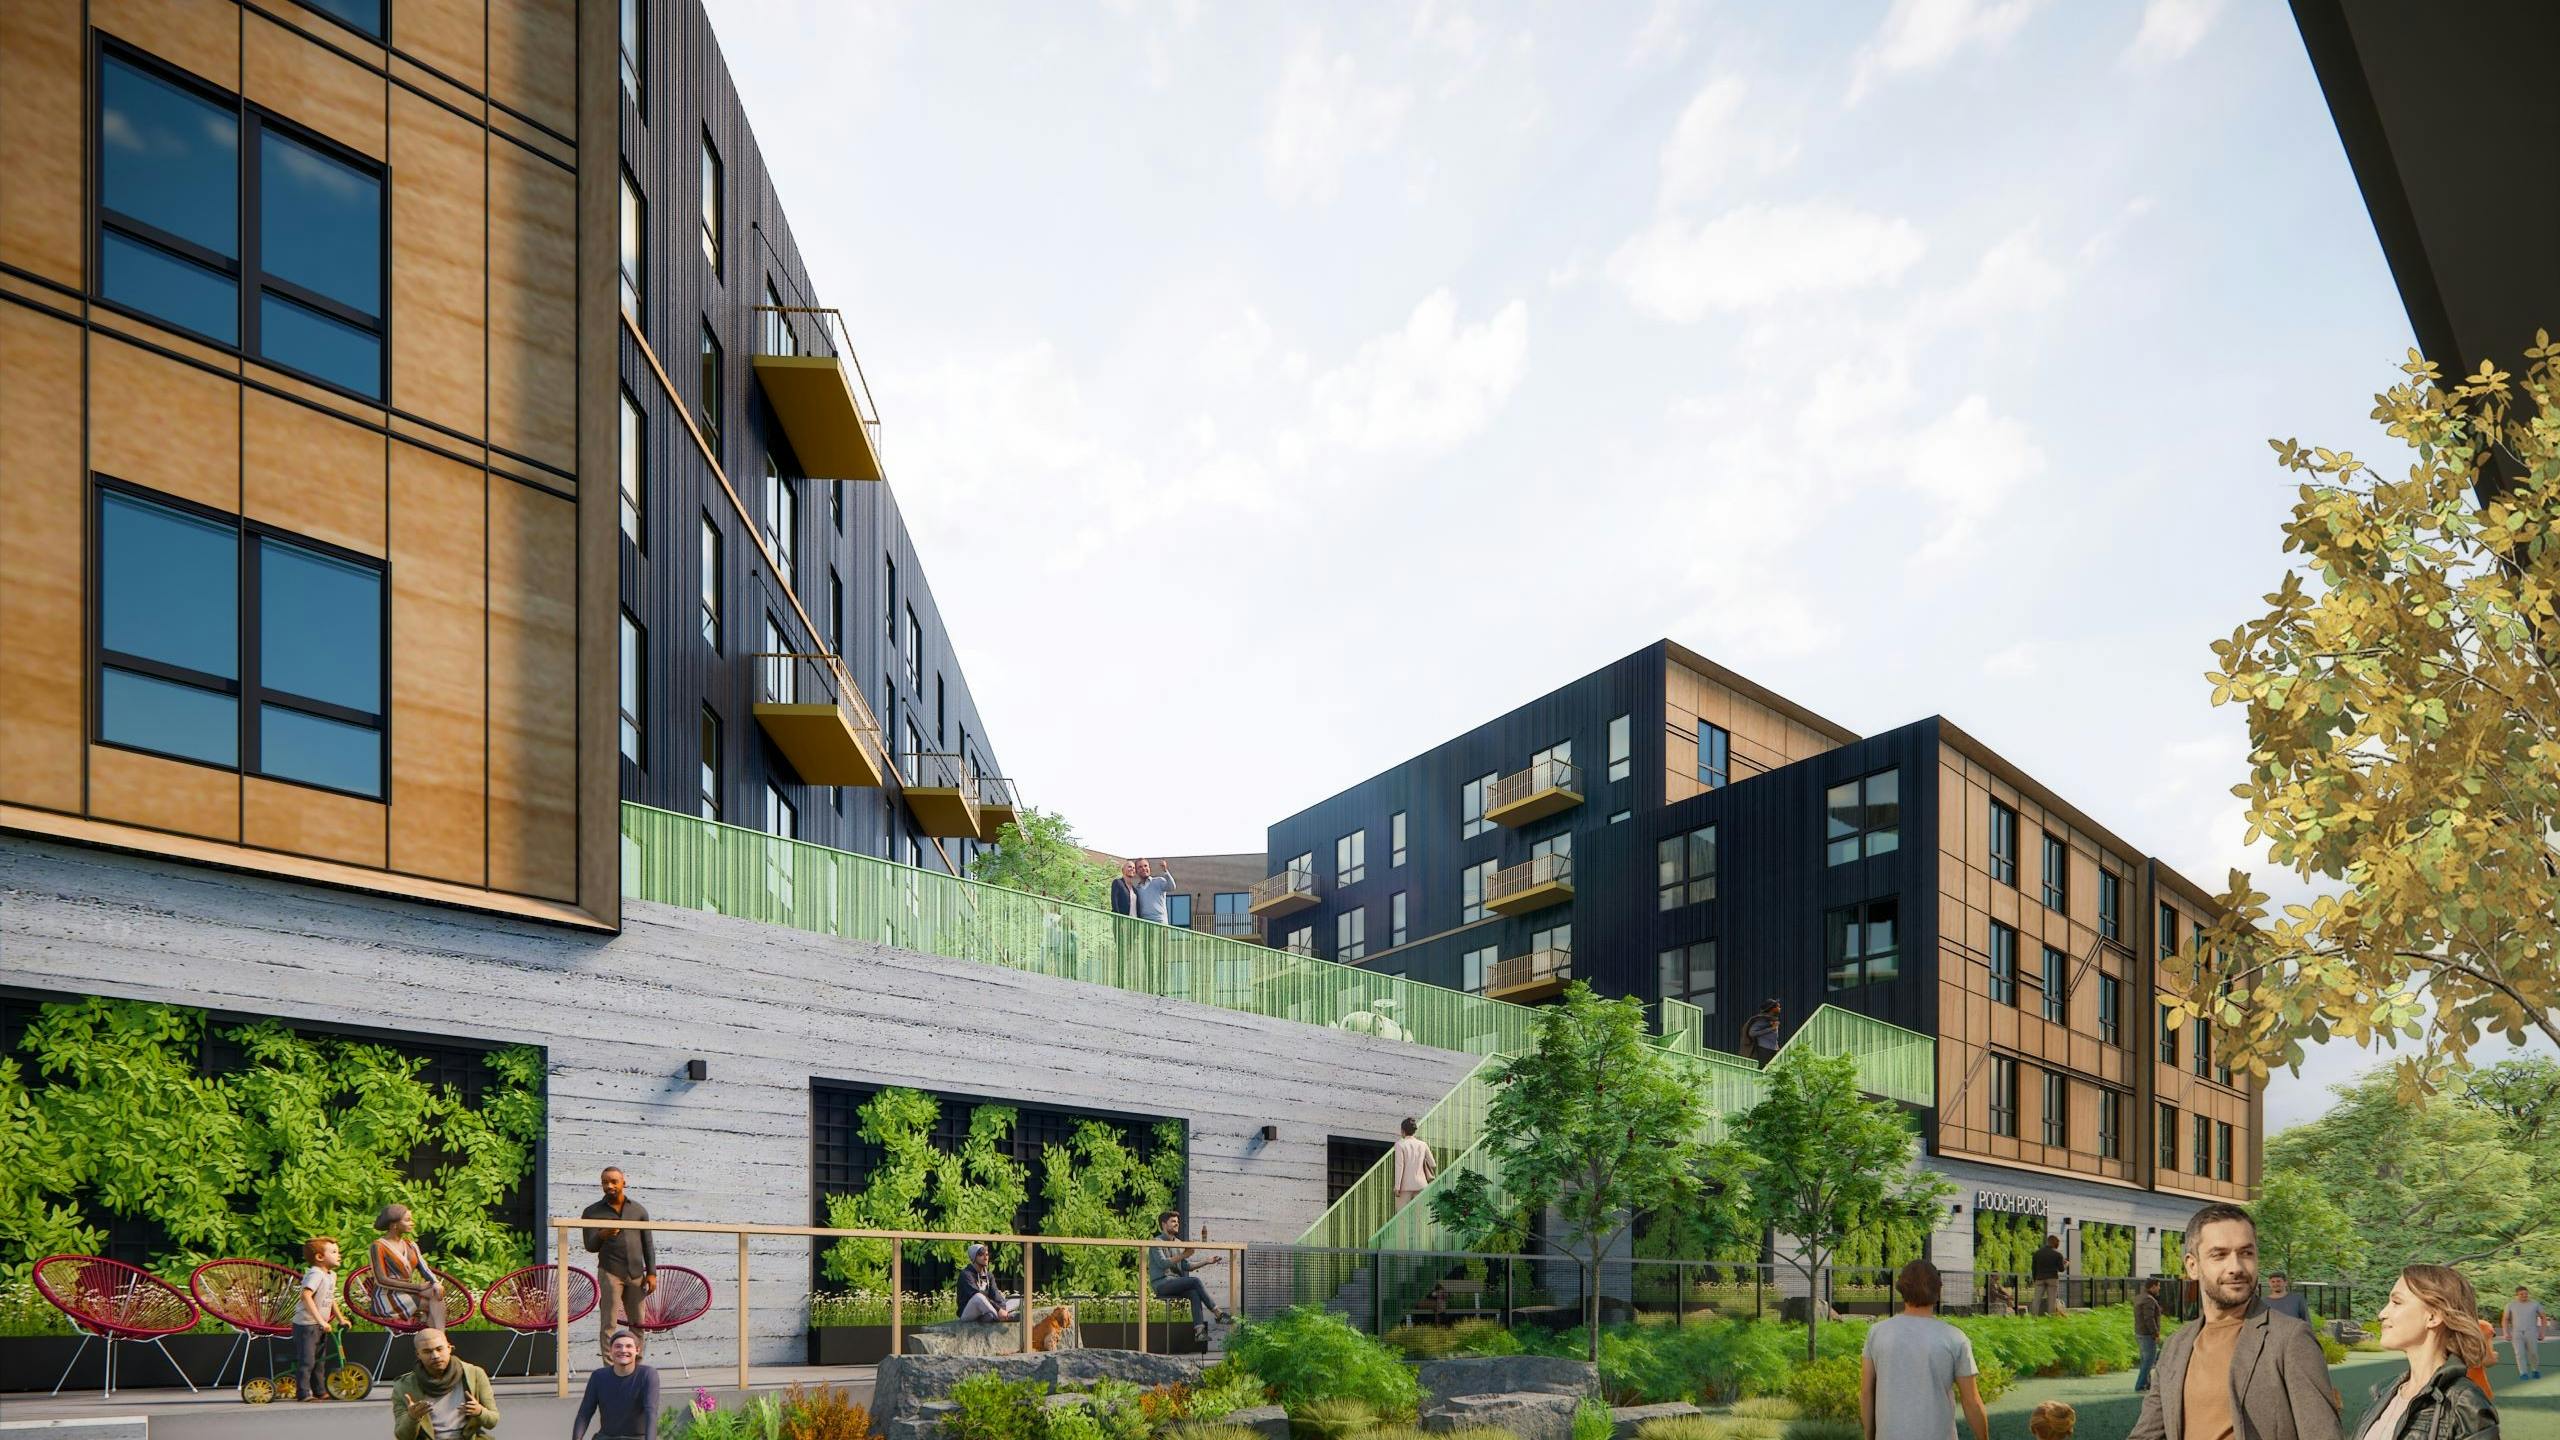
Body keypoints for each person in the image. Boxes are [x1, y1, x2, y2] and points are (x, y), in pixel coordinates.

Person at [2125, 1201, 2342, 1440]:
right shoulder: (2176, 1346)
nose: (2236, 1267)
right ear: (2193, 1266)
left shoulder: (2290, 1339)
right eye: (2219, 1255)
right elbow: (2146, 1434)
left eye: (2246, 1253)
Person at [2347, 1264, 2497, 1439]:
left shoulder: (2465, 1403)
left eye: (2396, 1302)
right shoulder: (2384, 1393)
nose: (2382, 1314)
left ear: (2433, 1317)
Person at [1858, 1259, 1990, 1440]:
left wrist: (1869, 1436)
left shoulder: (1877, 1333)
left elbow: (1866, 1392)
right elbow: (1971, 1402)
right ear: (1938, 1289)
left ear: (1901, 1288)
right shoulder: (1954, 1338)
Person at [581, 1167, 658, 1363]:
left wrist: (651, 1273)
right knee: (608, 1323)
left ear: (624, 1182)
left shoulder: (638, 1210)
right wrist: (602, 1234)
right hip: (610, 1271)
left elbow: (647, 1243)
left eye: (614, 1181)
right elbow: (590, 1246)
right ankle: (610, 1368)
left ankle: (636, 1365)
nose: (609, 1186)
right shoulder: (591, 1212)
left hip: (635, 1273)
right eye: (605, 1182)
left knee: (638, 1322)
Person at [388, 1327, 498, 1439]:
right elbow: (402, 1436)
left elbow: (492, 1421)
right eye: (427, 1351)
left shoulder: (475, 1374)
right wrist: (412, 1417)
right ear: (418, 1354)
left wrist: (479, 1411)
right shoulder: (403, 1385)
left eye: (439, 1349)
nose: (435, 1356)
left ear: (449, 1348)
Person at [1147, 1209, 1231, 1338]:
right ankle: (1218, 1313)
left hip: (1175, 1283)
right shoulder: (1155, 1242)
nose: (1177, 1224)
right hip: (1161, 1284)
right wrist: (1184, 1254)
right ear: (1164, 1224)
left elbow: (1186, 1266)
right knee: (1195, 1281)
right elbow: (1163, 1264)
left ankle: (1199, 1331)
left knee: (1194, 1293)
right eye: (1173, 1221)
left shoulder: (1179, 1243)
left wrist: (1207, 1261)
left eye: (1177, 1221)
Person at [369, 1203, 450, 1331]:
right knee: (430, 1305)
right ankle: (439, 1339)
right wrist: (417, 1287)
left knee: (436, 1294)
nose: (412, 1223)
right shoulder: (378, 1246)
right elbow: (381, 1280)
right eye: (407, 1220)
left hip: (407, 1292)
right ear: (394, 1225)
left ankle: (438, 1337)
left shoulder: (410, 1245)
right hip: (387, 1296)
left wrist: (435, 1282)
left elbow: (424, 1268)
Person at [570, 1329, 658, 1440]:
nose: (623, 1350)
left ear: (637, 1350)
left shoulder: (647, 1374)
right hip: (606, 1437)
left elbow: (651, 1412)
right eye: (618, 1346)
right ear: (610, 1350)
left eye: (628, 1346)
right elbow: (584, 1414)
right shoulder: (598, 1376)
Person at [295, 1235, 345, 1403]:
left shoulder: (331, 1275)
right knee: (307, 1360)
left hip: (321, 1325)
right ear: (319, 1257)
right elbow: (306, 1296)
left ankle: (320, 1391)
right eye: (334, 1252)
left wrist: (340, 1318)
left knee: (320, 1361)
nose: (339, 1255)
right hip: (307, 1325)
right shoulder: (315, 1274)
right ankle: (303, 1392)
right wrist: (321, 1321)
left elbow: (330, 1299)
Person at [958, 1243, 1019, 1323]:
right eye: (981, 1255)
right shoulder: (966, 1275)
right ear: (973, 1258)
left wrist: (1001, 1307)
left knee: (1017, 1298)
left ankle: (988, 1317)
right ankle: (1002, 1317)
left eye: (987, 1254)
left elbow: (996, 1295)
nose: (986, 1257)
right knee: (978, 1296)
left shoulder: (989, 1275)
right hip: (968, 1312)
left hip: (987, 1308)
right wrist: (999, 1310)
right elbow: (977, 1296)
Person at [1391, 1118, 1437, 1212]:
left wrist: (1397, 1187)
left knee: (1401, 1217)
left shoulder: (1400, 1144)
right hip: (1421, 1184)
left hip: (1405, 1186)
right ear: (1414, 1131)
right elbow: (1433, 1164)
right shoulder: (1423, 1144)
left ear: (1402, 1131)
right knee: (1421, 1216)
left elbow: (1399, 1166)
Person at [2502, 1284, 2544, 1380]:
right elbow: (2505, 1319)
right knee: (2519, 1353)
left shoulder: (2535, 1304)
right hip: (2517, 1332)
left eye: (2526, 1294)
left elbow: (2543, 1317)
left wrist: (2542, 1332)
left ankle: (2535, 1370)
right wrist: (2506, 1333)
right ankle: (2523, 1373)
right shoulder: (2510, 1305)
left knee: (2533, 1353)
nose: (2524, 1295)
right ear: (2516, 1295)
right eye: (2521, 1294)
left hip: (2531, 1331)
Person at [2134, 1277, 2164, 1394]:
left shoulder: (2139, 1297)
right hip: (2147, 1335)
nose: (2159, 1288)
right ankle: (2141, 1385)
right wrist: (2155, 1333)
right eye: (2158, 1286)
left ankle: (2146, 1383)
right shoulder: (2149, 1300)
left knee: (2144, 1360)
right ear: (2153, 1286)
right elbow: (2149, 1318)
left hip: (2139, 1333)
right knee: (2149, 1361)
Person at [1133, 859, 1176, 925]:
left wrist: (1165, 871)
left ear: (1149, 868)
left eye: (1145, 866)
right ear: (1136, 871)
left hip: (1160, 922)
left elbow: (1171, 887)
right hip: (1144, 924)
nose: (1144, 868)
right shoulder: (1137, 889)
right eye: (1140, 867)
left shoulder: (1159, 881)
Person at [2032, 1234, 2067, 1316]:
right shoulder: (2058, 1254)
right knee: (2052, 1300)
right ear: (2055, 1243)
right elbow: (2061, 1269)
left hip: (2039, 1278)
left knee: (2036, 1299)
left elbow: (2033, 1268)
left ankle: (2033, 1317)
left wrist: (2035, 1279)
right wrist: (2066, 1264)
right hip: (2052, 1279)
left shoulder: (2037, 1253)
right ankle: (2051, 1317)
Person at [1742, 999, 1783, 1067]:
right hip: (1764, 1049)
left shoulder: (1772, 1019)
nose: (1780, 1008)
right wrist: (1771, 1028)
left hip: (1773, 1049)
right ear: (1772, 1009)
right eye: (1778, 1007)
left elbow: (1773, 1036)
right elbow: (1752, 1033)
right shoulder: (1762, 1020)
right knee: (1763, 1068)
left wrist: (1777, 1046)